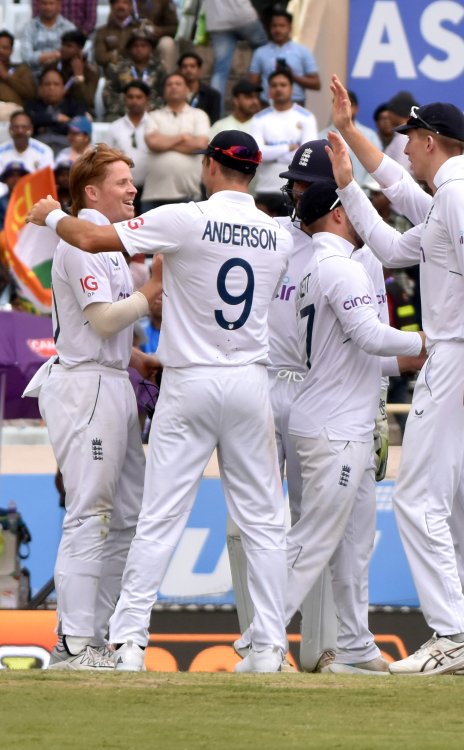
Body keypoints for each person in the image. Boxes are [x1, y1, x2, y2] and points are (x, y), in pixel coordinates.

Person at [29, 129, 295, 673]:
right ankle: (268, 646)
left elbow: (96, 241)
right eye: (123, 182)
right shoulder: (278, 235)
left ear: (210, 167)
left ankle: (127, 643)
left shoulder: (185, 217)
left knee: (155, 516)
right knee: (265, 520)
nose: (132, 188)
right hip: (248, 379)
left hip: (189, 379)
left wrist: (50, 214)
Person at [328, 96, 464, 676]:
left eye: (409, 137)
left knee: (416, 501)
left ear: (431, 141)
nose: (404, 147)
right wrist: (348, 172)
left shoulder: (459, 196)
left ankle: (455, 635)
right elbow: (390, 245)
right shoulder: (454, 198)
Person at [234, 178, 424, 675]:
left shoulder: (323, 266)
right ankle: (259, 643)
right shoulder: (339, 267)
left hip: (338, 416)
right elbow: (369, 335)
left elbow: (355, 351)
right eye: (354, 206)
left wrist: (409, 356)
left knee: (343, 538)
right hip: (335, 426)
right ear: (339, 213)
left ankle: (350, 647)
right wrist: (432, 341)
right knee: (312, 538)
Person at [27, 145, 162, 670]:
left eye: (131, 181)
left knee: (128, 516)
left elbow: (104, 329)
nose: (132, 189)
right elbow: (103, 320)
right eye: (122, 182)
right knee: (90, 514)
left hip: (114, 381)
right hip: (86, 389)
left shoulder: (105, 244)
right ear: (91, 192)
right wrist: (149, 292)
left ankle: (91, 636)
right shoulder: (79, 241)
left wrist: (139, 358)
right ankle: (76, 642)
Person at [248, 70, 319, 216]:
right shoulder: (259, 118)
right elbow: (257, 154)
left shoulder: (306, 117)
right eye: (274, 85)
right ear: (269, 90)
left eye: (283, 84)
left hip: (295, 191)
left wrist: (272, 153)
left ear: (291, 88)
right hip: (265, 189)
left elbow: (308, 157)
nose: (278, 88)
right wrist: (288, 148)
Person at [141, 73, 209, 209]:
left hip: (188, 196)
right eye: (169, 84)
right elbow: (153, 143)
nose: (173, 87)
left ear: (187, 90)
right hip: (153, 196)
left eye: (178, 84)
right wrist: (182, 137)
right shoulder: (154, 116)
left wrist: (164, 142)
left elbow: (200, 145)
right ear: (164, 91)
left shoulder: (199, 115)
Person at [206, 0, 268, 113]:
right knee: (267, 50)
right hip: (243, 16)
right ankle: (254, 83)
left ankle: (215, 113)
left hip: (217, 20)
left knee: (220, 71)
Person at [248, 9, 319, 105]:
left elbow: (316, 84)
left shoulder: (302, 52)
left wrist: (292, 76)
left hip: (296, 104)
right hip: (267, 104)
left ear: (290, 28)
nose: (278, 30)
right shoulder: (260, 52)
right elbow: (253, 83)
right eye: (274, 26)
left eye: (282, 26)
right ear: (270, 28)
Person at [100, 82, 151, 212]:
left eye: (139, 97)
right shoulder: (115, 127)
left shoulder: (155, 124)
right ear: (125, 99)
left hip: (151, 189)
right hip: (122, 190)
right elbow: (104, 155)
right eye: (130, 97)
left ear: (147, 99)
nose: (134, 101)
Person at [101, 30, 167, 121]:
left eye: (143, 46)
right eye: (135, 46)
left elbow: (165, 95)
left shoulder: (159, 69)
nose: (139, 49)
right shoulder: (117, 68)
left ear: (151, 48)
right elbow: (108, 95)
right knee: (110, 119)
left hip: (152, 112)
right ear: (129, 48)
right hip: (122, 113)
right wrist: (131, 108)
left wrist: (149, 108)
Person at [26, 68, 86, 150]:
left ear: (64, 88)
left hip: (67, 148)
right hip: (38, 148)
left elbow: (78, 126)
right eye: (47, 84)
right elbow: (29, 120)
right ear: (40, 88)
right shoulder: (32, 105)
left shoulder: (75, 105)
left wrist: (45, 124)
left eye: (56, 84)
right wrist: (56, 118)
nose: (51, 88)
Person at [16, 0, 76, 76]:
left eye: (51, 4)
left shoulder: (69, 28)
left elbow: (72, 53)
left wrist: (40, 57)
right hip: (34, 74)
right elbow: (27, 56)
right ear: (39, 5)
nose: (48, 7)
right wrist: (56, 55)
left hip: (62, 74)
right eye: (44, 3)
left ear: (59, 6)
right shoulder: (29, 27)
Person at [178, 52, 222, 125]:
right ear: (180, 70)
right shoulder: (174, 93)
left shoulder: (212, 95)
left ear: (199, 70)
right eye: (185, 67)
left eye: (192, 66)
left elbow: (214, 123)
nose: (188, 70)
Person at [0, 30, 36, 112]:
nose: (0, 51)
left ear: (11, 51)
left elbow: (30, 94)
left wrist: (6, 76)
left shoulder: (22, 69)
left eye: (5, 48)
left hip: (12, 111)